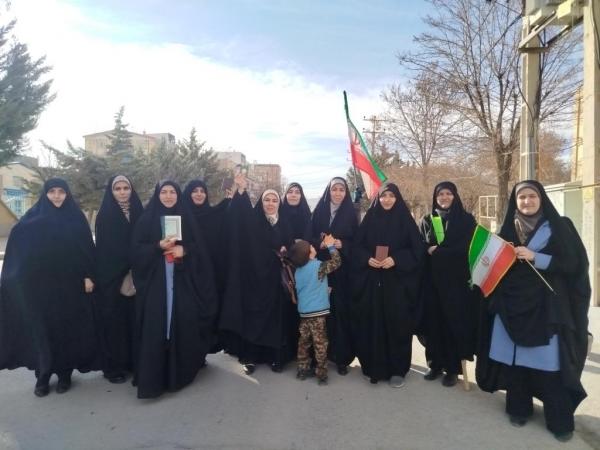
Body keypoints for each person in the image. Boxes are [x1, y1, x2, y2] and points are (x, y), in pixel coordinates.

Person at [476, 180, 590, 442]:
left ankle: (559, 421)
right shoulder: (506, 230)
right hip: (510, 307)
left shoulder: (560, 226)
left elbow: (574, 265)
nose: (526, 201)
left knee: (550, 369)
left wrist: (536, 257)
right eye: (521, 197)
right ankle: (519, 409)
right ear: (514, 202)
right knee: (516, 365)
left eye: (531, 196)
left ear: (541, 199)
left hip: (545, 310)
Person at [0, 178, 98, 397]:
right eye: (52, 191)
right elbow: (18, 245)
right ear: (45, 194)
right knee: (41, 329)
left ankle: (64, 374)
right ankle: (43, 374)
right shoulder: (32, 219)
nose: (56, 196)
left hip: (69, 286)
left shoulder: (75, 218)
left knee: (66, 329)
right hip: (41, 288)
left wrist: (88, 276)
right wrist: (15, 277)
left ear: (67, 194)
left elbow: (86, 249)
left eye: (61, 191)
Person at [131, 180, 218, 399]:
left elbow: (199, 247)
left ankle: (180, 371)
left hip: (182, 281)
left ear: (178, 195)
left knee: (182, 322)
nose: (169, 196)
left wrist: (184, 249)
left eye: (172, 192)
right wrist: (157, 246)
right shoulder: (147, 219)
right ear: (158, 194)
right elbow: (135, 250)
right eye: (164, 192)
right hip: (156, 283)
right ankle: (155, 376)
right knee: (157, 324)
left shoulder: (186, 218)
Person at [219, 175, 297, 374]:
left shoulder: (285, 223)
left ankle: (275, 358)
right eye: (266, 200)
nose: (270, 204)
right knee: (254, 318)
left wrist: (285, 251)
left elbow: (291, 247)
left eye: (274, 200)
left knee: (276, 320)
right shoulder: (253, 221)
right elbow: (238, 217)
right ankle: (250, 357)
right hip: (254, 279)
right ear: (261, 203)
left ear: (279, 203)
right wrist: (241, 191)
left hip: (276, 282)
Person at [352, 183, 424, 387]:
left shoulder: (405, 221)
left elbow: (417, 250)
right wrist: (367, 259)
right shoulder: (370, 219)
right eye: (384, 196)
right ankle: (373, 367)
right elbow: (356, 247)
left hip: (397, 284)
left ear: (397, 198)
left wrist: (396, 259)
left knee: (397, 325)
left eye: (392, 195)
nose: (387, 199)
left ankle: (397, 370)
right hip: (372, 283)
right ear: (378, 198)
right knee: (372, 324)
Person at [419, 181, 479, 387]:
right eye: (440, 194)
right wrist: (428, 249)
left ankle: (453, 369)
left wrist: (441, 252)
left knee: (453, 324)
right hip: (432, 282)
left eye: (448, 193)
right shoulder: (427, 219)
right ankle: (434, 364)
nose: (444, 197)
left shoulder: (466, 220)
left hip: (457, 283)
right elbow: (420, 245)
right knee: (433, 323)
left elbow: (469, 247)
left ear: (455, 195)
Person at [95, 175, 144, 384]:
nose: (122, 192)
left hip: (138, 275)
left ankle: (133, 362)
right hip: (112, 278)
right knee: (115, 324)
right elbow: (104, 249)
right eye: (118, 188)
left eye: (126, 188)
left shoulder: (139, 211)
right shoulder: (105, 214)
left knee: (135, 321)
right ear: (111, 192)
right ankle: (113, 367)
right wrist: (124, 266)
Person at [307, 177, 358, 375]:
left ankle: (340, 357)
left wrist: (343, 244)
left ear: (346, 192)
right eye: (334, 189)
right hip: (320, 270)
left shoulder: (351, 213)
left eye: (341, 189)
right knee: (319, 314)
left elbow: (358, 240)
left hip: (341, 272)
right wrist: (318, 244)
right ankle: (316, 357)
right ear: (328, 191)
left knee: (339, 313)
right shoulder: (319, 211)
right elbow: (309, 235)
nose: (337, 193)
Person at [183, 179, 231, 353]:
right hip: (186, 274)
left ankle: (202, 352)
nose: (199, 194)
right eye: (194, 191)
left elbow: (223, 213)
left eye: (202, 191)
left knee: (208, 313)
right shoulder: (180, 215)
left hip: (208, 275)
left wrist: (232, 199)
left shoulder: (211, 215)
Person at [288, 235, 341, 385]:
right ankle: (321, 374)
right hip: (318, 314)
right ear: (309, 254)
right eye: (311, 246)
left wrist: (323, 290)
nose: (313, 246)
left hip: (304, 313)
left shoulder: (298, 271)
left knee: (304, 342)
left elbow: (308, 288)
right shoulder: (318, 266)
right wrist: (331, 246)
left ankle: (302, 370)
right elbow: (337, 262)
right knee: (320, 344)